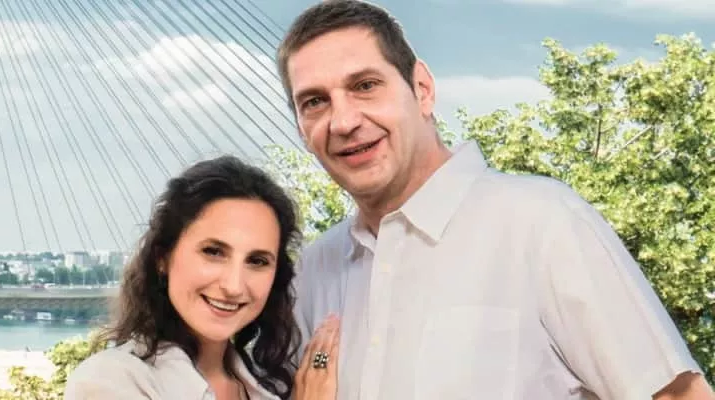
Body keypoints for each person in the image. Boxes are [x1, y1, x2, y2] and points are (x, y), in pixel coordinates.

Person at [277, 1, 715, 399]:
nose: (344, 121)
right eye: (315, 102)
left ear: (422, 89)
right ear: (300, 128)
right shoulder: (313, 271)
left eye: (365, 85)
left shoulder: (542, 223)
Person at [64, 156, 339, 400]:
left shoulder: (265, 384)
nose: (233, 286)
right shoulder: (110, 380)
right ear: (163, 258)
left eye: (257, 261)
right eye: (213, 252)